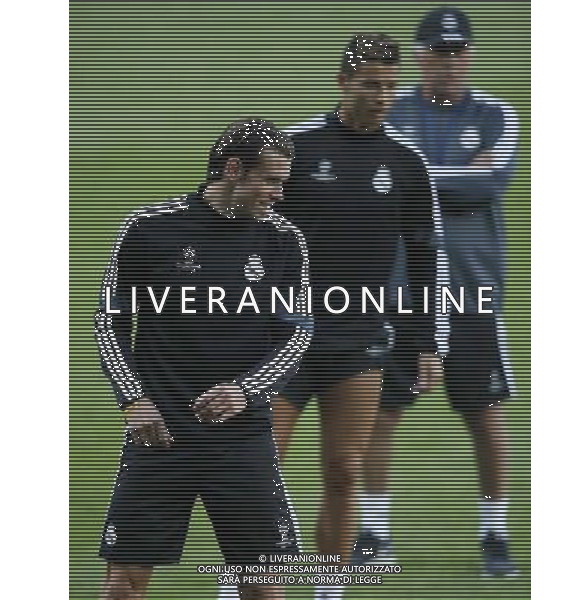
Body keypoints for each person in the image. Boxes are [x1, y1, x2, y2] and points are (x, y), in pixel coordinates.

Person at [94, 118, 313, 600]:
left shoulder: (283, 240)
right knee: (123, 586)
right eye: (272, 180)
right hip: (159, 439)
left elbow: (297, 335)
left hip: (242, 441)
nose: (279, 194)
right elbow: (109, 322)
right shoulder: (150, 228)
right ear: (233, 169)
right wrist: (132, 400)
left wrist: (246, 390)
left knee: (263, 587)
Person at [271, 33, 442, 600]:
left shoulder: (407, 164)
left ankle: (329, 591)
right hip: (281, 338)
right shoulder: (295, 148)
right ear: (343, 82)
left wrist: (426, 342)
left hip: (359, 340)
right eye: (371, 83)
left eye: (393, 85)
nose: (383, 95)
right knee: (259, 474)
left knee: (345, 472)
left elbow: (424, 257)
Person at [356, 6, 519, 576]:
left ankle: (494, 534)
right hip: (402, 288)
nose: (448, 62)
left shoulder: (498, 114)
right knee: (381, 413)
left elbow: (491, 179)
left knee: (484, 413)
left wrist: (423, 173)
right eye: (437, 52)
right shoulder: (391, 111)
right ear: (421, 56)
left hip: (473, 288)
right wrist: (445, 176)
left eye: (458, 51)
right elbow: (395, 181)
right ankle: (374, 533)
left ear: (469, 55)